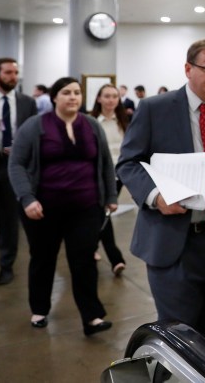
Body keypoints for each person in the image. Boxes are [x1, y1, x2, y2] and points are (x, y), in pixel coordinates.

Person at [117, 39, 205, 347]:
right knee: (181, 338)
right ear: (188, 69)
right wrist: (156, 197)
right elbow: (128, 163)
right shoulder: (155, 109)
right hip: (175, 241)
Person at [8, 76, 117, 335]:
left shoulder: (91, 125)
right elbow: (17, 164)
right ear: (55, 97)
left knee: (84, 261)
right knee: (43, 259)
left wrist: (111, 197)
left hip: (86, 207)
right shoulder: (35, 126)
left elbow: (105, 163)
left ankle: (92, 317)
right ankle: (40, 309)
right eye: (66, 92)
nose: (72, 97)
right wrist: (27, 198)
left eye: (77, 93)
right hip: (44, 209)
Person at [0, 57, 37, 285]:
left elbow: (35, 135)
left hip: (15, 167)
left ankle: (7, 266)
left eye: (15, 72)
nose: (13, 77)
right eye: (8, 72)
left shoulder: (27, 102)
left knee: (10, 220)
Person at [90, 83, 129, 276]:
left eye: (114, 96)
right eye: (106, 96)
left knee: (104, 212)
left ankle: (92, 246)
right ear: (99, 99)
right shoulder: (91, 121)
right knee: (104, 211)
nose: (111, 100)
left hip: (119, 174)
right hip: (98, 174)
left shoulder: (125, 120)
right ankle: (115, 258)